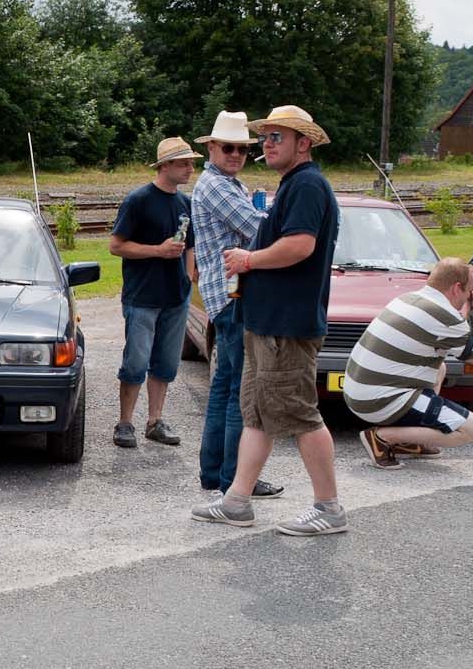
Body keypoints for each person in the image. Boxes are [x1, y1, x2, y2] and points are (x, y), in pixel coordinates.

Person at [191, 104, 345, 536]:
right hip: (266, 321)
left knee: (301, 415)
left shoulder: (307, 185)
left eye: (277, 136)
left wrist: (249, 259)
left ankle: (328, 507)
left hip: (286, 325)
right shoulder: (293, 184)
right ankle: (237, 500)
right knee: (256, 413)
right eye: (266, 137)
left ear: (304, 143)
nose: (267, 144)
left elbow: (299, 246)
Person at [186, 111, 281, 501]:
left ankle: (216, 474)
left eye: (242, 149)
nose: (236, 155)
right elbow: (259, 229)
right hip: (232, 297)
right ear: (211, 147)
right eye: (229, 148)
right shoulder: (217, 187)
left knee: (225, 387)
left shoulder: (224, 184)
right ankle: (234, 478)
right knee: (240, 393)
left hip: (225, 296)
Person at [345, 258, 473, 468]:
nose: (471, 294)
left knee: (439, 368)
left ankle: (410, 441)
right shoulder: (444, 317)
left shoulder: (409, 298)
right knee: (470, 429)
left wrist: (467, 310)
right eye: (469, 289)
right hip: (379, 401)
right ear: (456, 288)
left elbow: (454, 333)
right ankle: (382, 437)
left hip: (359, 393)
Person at [108, 137, 198, 449]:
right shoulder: (138, 200)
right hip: (142, 297)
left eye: (191, 163)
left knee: (166, 364)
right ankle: (125, 423)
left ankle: (155, 421)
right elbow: (116, 246)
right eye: (184, 163)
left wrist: (187, 278)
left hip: (176, 298)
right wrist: (157, 251)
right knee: (135, 362)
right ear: (165, 166)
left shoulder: (186, 203)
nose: (190, 168)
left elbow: (190, 246)